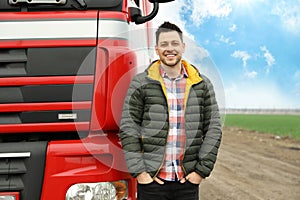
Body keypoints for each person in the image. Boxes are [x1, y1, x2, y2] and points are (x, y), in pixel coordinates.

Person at [120, 21, 222, 200]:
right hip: (152, 182)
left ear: (183, 47)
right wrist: (141, 173)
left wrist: (200, 172)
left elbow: (213, 129)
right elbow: (129, 127)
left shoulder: (202, 84)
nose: (170, 49)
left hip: (187, 182)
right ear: (157, 49)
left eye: (175, 44)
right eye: (164, 44)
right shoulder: (141, 83)